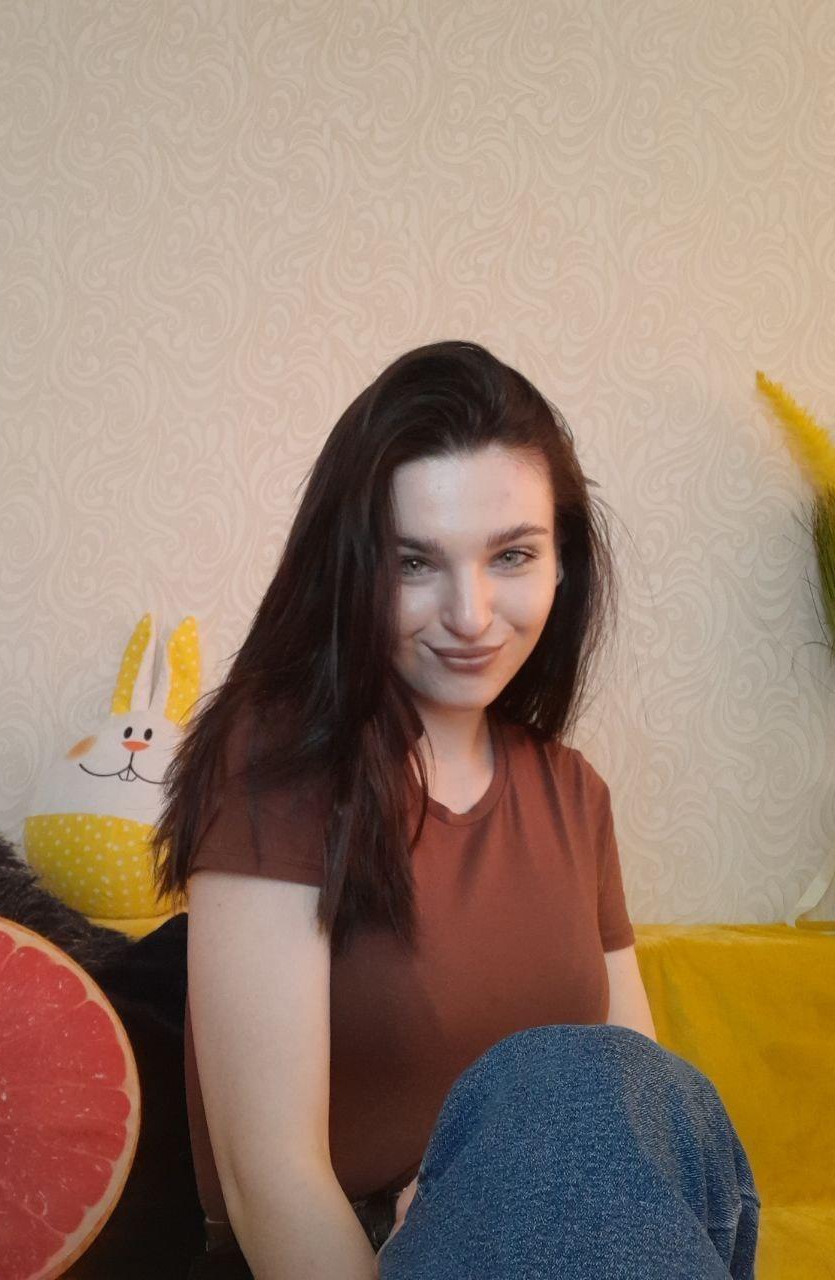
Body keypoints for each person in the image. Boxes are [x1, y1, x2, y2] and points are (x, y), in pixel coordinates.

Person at [151, 340, 760, 1279]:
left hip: (590, 1233)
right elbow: (267, 1177)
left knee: (610, 1097)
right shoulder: (276, 770)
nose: (471, 614)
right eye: (415, 562)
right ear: (351, 570)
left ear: (563, 564)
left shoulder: (574, 794)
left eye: (512, 555)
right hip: (364, 1250)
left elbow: (636, 1117)